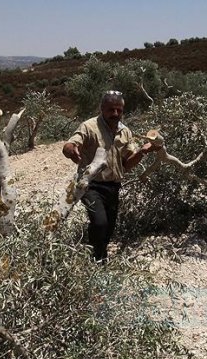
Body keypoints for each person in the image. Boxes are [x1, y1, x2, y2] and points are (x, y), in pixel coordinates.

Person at [62, 90, 162, 261]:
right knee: (100, 222)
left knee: (109, 227)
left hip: (113, 186)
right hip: (91, 185)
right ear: (102, 108)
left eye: (119, 110)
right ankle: (96, 260)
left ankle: (98, 253)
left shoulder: (125, 132)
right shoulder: (89, 126)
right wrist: (71, 150)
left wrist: (143, 152)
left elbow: (126, 165)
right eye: (110, 110)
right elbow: (70, 144)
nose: (115, 114)